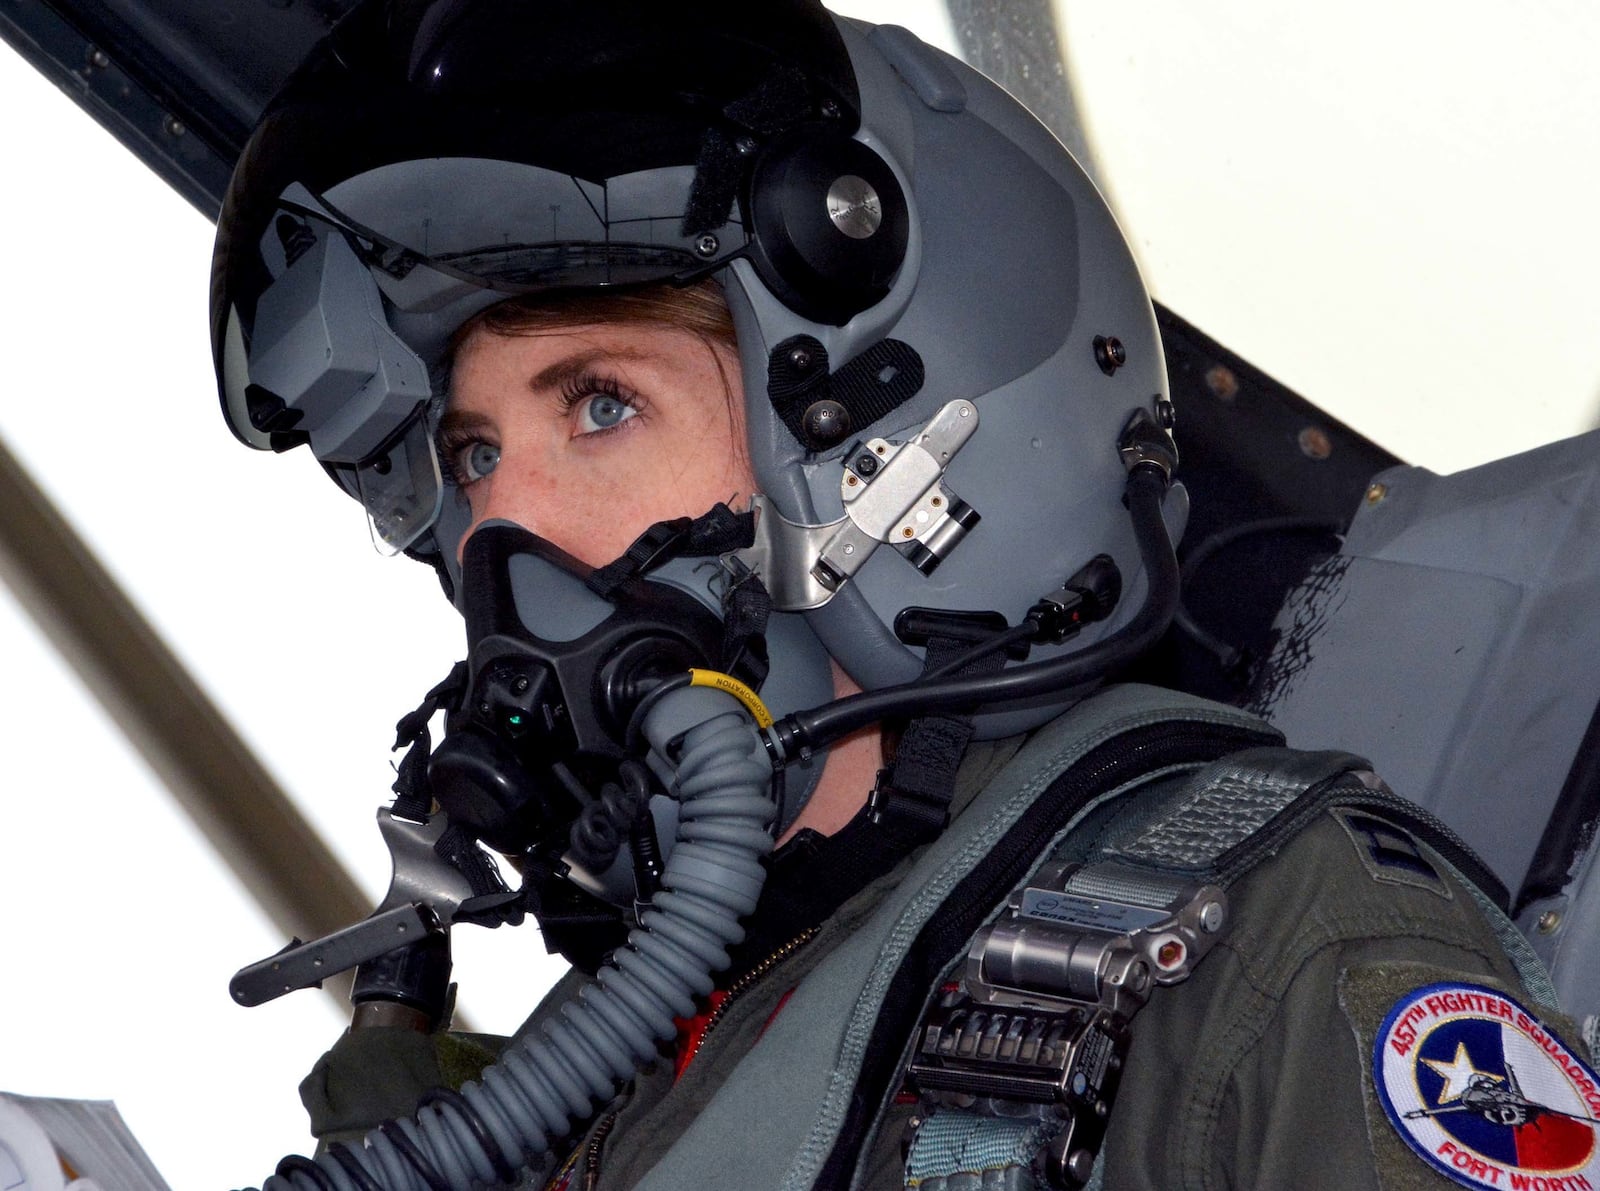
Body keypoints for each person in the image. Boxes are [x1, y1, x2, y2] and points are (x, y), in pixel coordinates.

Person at [211, 2, 1598, 1188]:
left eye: (600, 403)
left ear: (900, 451)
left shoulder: (1284, 946)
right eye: (471, 453)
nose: (497, 520)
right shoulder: (646, 1066)